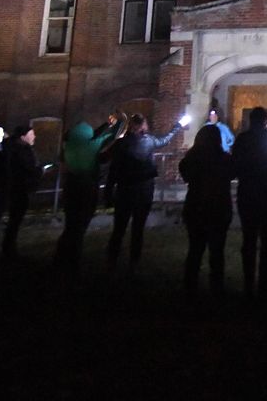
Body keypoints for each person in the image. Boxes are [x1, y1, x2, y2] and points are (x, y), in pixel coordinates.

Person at [104, 113, 186, 270]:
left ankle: (112, 259)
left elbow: (113, 169)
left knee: (119, 228)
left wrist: (108, 192)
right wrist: (177, 126)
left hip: (124, 191)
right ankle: (134, 261)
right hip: (143, 191)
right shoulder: (149, 141)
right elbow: (165, 140)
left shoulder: (121, 144)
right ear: (142, 126)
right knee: (138, 228)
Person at [53, 113, 121, 276]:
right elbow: (110, 136)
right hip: (87, 187)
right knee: (81, 225)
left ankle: (60, 257)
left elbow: (96, 135)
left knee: (70, 225)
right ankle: (73, 261)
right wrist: (117, 122)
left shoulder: (69, 146)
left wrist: (106, 124)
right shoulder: (92, 145)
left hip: (70, 187)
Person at [234, 106, 267, 299]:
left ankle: (249, 284)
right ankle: (263, 284)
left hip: (247, 192)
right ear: (265, 121)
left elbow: (235, 166)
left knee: (248, 239)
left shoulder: (242, 139)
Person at [178, 124, 235, 296]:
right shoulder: (224, 159)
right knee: (217, 251)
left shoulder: (191, 159)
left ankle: (190, 286)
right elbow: (233, 173)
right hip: (219, 207)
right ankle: (216, 288)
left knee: (195, 249)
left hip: (196, 206)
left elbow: (186, 174)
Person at [2, 125, 41, 259]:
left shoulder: (13, 148)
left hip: (16, 187)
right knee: (15, 218)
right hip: (20, 187)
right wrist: (40, 171)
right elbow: (28, 168)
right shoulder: (22, 150)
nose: (34, 137)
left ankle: (8, 246)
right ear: (23, 136)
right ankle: (8, 248)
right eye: (32, 134)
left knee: (15, 218)